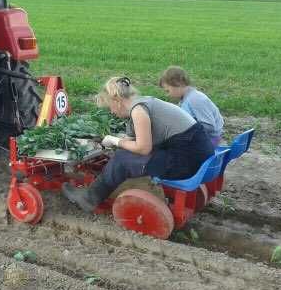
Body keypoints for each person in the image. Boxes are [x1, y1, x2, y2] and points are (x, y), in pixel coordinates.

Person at [61, 76, 214, 213]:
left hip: (186, 162)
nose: (112, 112)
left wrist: (115, 141)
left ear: (117, 101)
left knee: (122, 159)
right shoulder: (145, 102)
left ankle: (89, 198)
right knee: (128, 154)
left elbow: (143, 148)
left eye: (110, 107)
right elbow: (149, 139)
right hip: (197, 154)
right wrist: (123, 140)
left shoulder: (138, 111)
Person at [159, 66, 224, 146]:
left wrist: (185, 130)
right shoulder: (186, 99)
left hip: (210, 142)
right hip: (204, 139)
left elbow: (209, 126)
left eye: (168, 91)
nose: (167, 95)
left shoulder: (195, 99)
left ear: (178, 83)